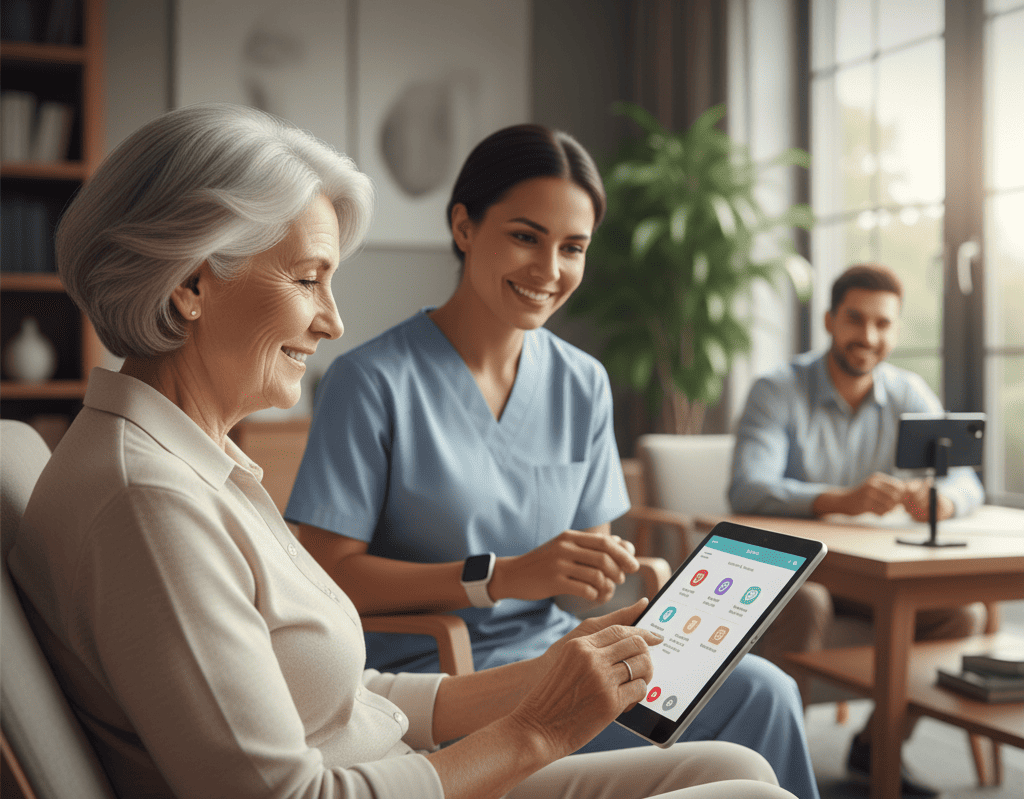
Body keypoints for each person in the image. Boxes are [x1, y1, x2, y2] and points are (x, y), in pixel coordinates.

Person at [7, 104, 798, 799]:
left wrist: (558, 672)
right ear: (191, 285)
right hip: (398, 764)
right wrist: (539, 727)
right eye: (310, 279)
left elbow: (344, 697)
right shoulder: (150, 501)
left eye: (573, 246)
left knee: (739, 765)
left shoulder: (198, 464)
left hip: (399, 736)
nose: (332, 320)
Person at [286, 124, 820, 799]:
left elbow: (582, 569)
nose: (549, 271)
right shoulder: (371, 381)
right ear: (463, 226)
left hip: (564, 651)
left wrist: (618, 574)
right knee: (753, 712)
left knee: (763, 689)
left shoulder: (582, 381)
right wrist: (502, 576)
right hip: (442, 677)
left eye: (573, 248)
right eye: (525, 236)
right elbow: (333, 577)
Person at [729, 262, 986, 798]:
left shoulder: (908, 393)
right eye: (855, 320)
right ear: (829, 320)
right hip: (803, 574)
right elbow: (748, 489)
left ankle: (876, 747)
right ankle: (769, 763)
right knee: (808, 604)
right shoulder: (778, 390)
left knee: (960, 614)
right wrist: (838, 500)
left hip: (874, 574)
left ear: (895, 329)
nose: (868, 337)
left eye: (883, 324)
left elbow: (968, 483)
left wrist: (939, 497)